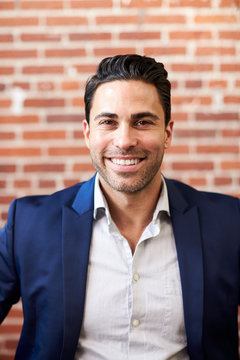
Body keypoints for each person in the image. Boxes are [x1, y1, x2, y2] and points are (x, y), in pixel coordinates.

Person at [0, 54, 240, 360]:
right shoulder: (30, 225)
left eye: (142, 121)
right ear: (88, 133)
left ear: (167, 132)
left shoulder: (229, 223)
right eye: (108, 122)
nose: (124, 140)